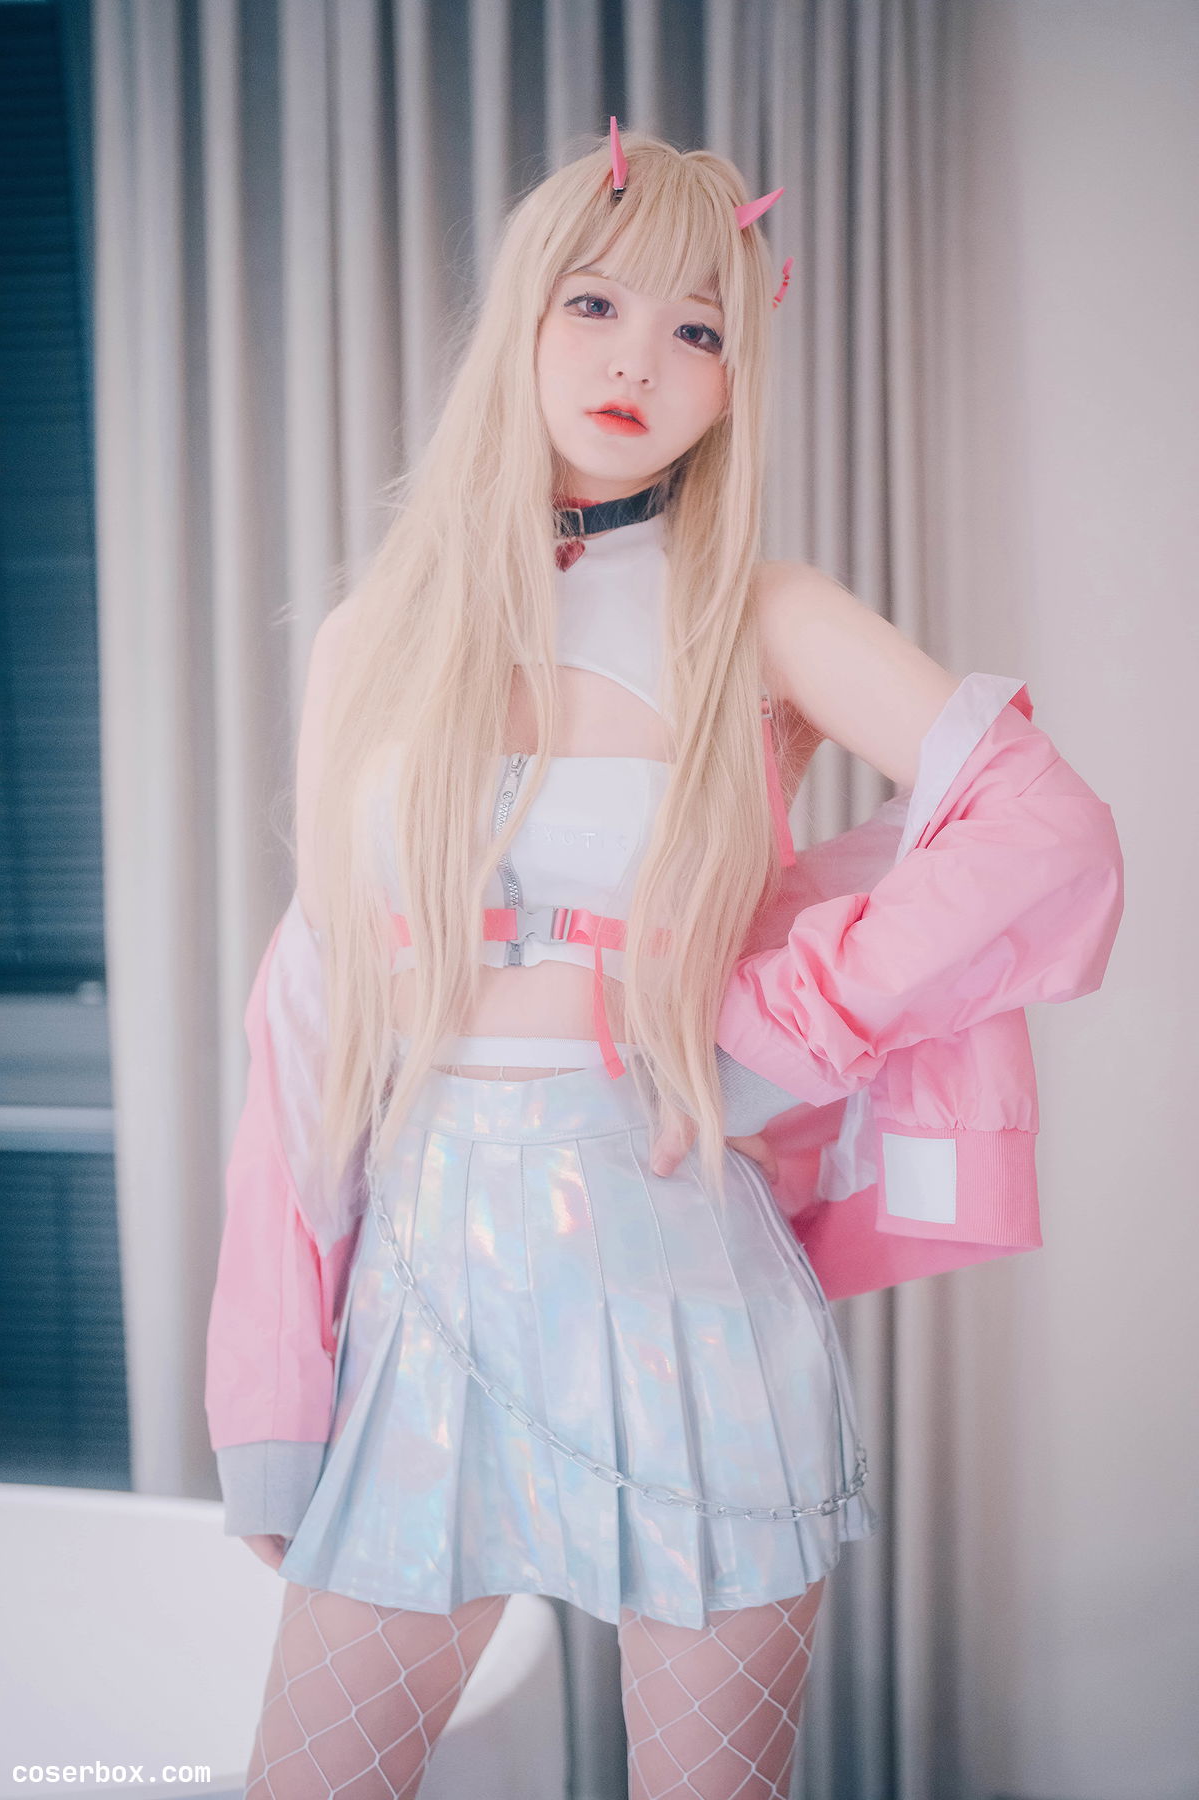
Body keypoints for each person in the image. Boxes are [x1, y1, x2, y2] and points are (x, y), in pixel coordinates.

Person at [204, 122, 1124, 1800]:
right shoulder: (370, 638)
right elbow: (310, 1025)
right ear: (523, 317)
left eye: (698, 327)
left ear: (732, 378)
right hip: (425, 1296)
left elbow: (1047, 830)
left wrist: (777, 1033)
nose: (639, 359)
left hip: (686, 1292)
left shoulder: (760, 616)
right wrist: (270, 1383)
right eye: (597, 303)